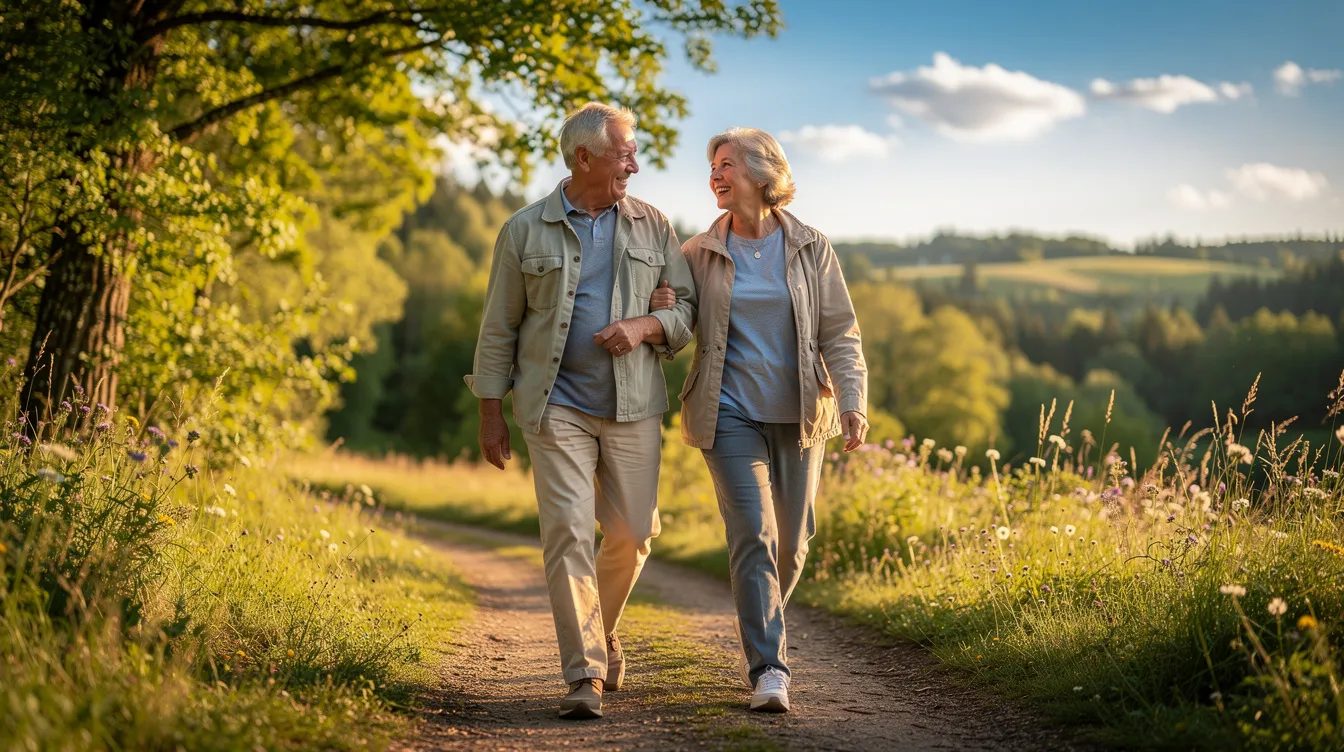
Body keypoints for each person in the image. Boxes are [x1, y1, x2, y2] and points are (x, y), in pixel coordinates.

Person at [466, 103, 697, 720]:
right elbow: (498, 328)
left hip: (634, 405)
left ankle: (602, 630)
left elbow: (687, 313)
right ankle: (584, 674)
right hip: (554, 404)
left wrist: (648, 323)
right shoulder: (523, 230)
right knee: (567, 530)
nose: (636, 164)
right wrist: (491, 412)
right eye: (625, 154)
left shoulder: (654, 225)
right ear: (584, 158)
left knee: (633, 535)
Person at [651, 127, 868, 713]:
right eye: (712, 167)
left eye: (725, 165)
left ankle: (759, 614)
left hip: (800, 412)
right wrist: (663, 315)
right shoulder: (699, 252)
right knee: (754, 531)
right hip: (726, 411)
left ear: (762, 173)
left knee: (792, 547)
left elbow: (839, 332)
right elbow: (675, 333)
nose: (715, 176)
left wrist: (852, 401)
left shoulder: (811, 246)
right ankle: (769, 668)